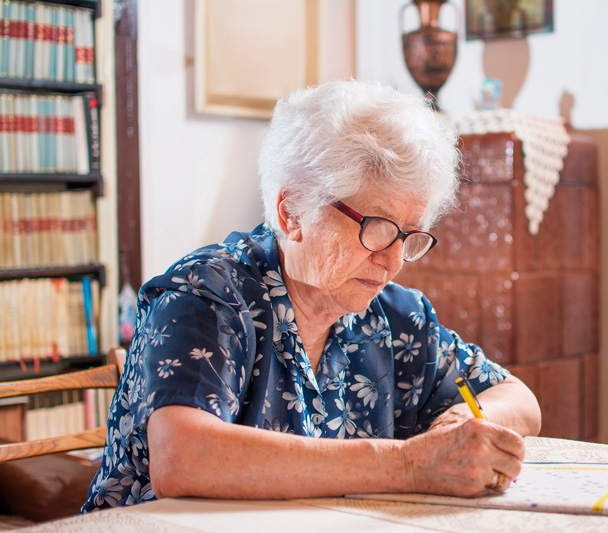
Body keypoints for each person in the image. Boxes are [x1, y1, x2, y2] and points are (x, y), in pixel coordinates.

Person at [81, 79, 541, 512]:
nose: (394, 260)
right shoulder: (207, 296)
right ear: (292, 211)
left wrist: (459, 423)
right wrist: (409, 464)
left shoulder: (395, 317)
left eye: (408, 235)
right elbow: (182, 458)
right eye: (376, 228)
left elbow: (518, 400)